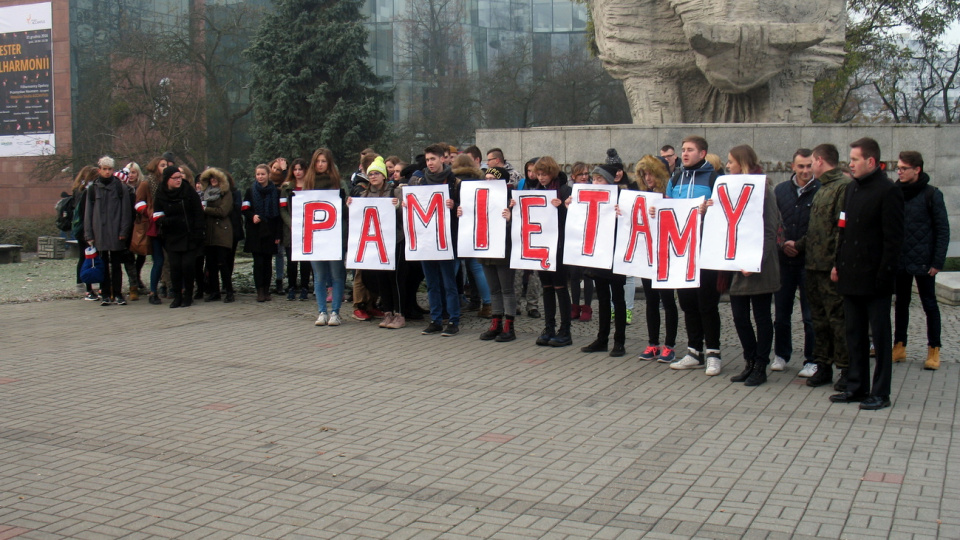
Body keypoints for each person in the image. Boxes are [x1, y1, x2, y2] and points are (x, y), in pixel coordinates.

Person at [830, 137, 904, 410]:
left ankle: (880, 392)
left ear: (871, 161)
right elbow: (843, 230)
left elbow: (893, 240)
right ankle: (856, 386)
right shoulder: (851, 189)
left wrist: (884, 277)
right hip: (850, 275)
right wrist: (838, 263)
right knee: (854, 333)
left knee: (880, 337)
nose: (850, 164)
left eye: (855, 159)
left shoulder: (888, 191)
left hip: (875, 278)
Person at [785, 144, 852, 391]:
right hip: (813, 265)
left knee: (837, 320)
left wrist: (838, 263)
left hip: (829, 268)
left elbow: (841, 231)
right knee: (819, 320)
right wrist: (798, 245)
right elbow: (817, 230)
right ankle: (823, 365)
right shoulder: (823, 188)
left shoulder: (842, 188)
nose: (810, 166)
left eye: (812, 162)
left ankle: (845, 369)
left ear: (820, 161)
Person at [723, 145, 782, 387]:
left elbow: (770, 230)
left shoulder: (764, 189)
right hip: (738, 265)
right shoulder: (729, 189)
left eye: (731, 162)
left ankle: (760, 365)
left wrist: (755, 262)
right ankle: (749, 360)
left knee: (761, 316)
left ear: (742, 163)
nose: (727, 166)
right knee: (739, 317)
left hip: (760, 266)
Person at [665, 136, 722, 376]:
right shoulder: (676, 178)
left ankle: (714, 354)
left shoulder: (714, 178)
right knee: (687, 302)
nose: (685, 153)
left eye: (690, 150)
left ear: (703, 153)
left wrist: (710, 208)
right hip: (681, 251)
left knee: (707, 303)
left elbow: (724, 211)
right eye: (683, 149)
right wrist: (655, 209)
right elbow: (667, 206)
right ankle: (694, 352)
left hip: (705, 250)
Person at [892, 151, 949, 370]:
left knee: (929, 304)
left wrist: (937, 262)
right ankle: (899, 346)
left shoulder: (932, 194)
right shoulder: (895, 192)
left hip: (925, 261)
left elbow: (942, 230)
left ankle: (934, 349)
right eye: (898, 168)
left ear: (917, 169)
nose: (900, 172)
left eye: (904, 168)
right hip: (901, 260)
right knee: (901, 305)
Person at [773, 149, 819, 375]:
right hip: (784, 260)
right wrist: (783, 244)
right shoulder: (781, 190)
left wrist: (799, 244)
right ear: (793, 166)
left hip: (809, 261)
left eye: (809, 166)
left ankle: (812, 359)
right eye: (801, 166)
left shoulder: (820, 190)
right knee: (781, 313)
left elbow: (820, 227)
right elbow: (775, 221)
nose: (805, 170)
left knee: (810, 315)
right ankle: (781, 354)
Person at [575, 164, 628, 356]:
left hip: (615, 254)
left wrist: (622, 212)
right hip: (599, 253)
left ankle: (619, 341)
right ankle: (602, 338)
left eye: (599, 179)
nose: (595, 182)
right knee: (603, 298)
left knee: (618, 298)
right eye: (594, 179)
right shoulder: (592, 197)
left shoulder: (622, 197)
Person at [349, 156, 406, 328]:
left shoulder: (394, 192)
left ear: (383, 175)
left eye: (376, 173)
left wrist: (398, 207)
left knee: (395, 279)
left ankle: (400, 313)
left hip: (395, 241)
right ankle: (387, 312)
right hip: (376, 244)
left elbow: (406, 216)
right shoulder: (363, 194)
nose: (373, 176)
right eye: (370, 174)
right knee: (381, 279)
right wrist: (350, 205)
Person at [415, 143, 462, 337]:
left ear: (443, 158)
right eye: (427, 160)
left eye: (433, 159)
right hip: (427, 240)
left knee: (448, 282)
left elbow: (466, 207)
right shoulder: (421, 181)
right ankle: (435, 319)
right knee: (432, 282)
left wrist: (455, 204)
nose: (430, 163)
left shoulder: (454, 181)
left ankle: (453, 320)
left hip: (446, 238)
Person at [634, 155, 678, 363]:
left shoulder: (670, 194)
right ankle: (653, 343)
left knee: (668, 301)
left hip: (666, 256)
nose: (647, 177)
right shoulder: (643, 195)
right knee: (651, 300)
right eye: (644, 174)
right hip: (648, 255)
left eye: (650, 173)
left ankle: (669, 345)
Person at [531, 156, 574, 347]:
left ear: (552, 173)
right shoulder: (536, 191)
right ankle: (549, 327)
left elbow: (573, 220)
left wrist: (562, 208)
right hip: (542, 247)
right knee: (546, 288)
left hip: (559, 246)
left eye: (544, 174)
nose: (541, 177)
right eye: (538, 174)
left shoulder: (565, 190)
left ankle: (565, 329)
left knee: (560, 288)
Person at [305, 148, 349, 326]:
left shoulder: (339, 184)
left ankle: (335, 312)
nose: (320, 164)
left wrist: (346, 204)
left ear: (329, 164)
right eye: (318, 161)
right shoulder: (308, 184)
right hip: (315, 237)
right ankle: (322, 311)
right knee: (320, 276)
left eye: (324, 161)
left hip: (335, 236)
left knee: (337, 275)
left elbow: (345, 213)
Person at [474, 166, 516, 342]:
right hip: (486, 247)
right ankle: (496, 321)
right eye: (487, 178)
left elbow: (520, 227)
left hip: (504, 249)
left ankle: (509, 325)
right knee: (494, 289)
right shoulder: (479, 196)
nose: (489, 181)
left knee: (506, 289)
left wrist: (510, 219)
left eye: (493, 179)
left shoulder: (512, 200)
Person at [153, 165, 206, 308]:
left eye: (180, 177)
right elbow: (157, 215)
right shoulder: (161, 193)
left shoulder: (188, 191)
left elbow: (198, 213)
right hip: (171, 236)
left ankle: (188, 295)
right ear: (167, 180)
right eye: (175, 178)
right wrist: (167, 222)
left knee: (188, 266)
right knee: (175, 267)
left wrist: (198, 232)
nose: (178, 180)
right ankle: (177, 296)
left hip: (189, 235)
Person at [84, 156, 133, 306]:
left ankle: (118, 293)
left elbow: (126, 212)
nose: (107, 172)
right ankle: (105, 293)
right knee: (102, 263)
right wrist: (89, 234)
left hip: (116, 231)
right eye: (104, 169)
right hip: (99, 232)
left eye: (109, 169)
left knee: (117, 264)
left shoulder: (120, 187)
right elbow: (88, 213)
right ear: (99, 170)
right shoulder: (93, 189)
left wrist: (124, 231)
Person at [452, 153, 492, 318]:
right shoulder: (479, 182)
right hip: (476, 229)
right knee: (477, 268)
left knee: (452, 268)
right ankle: (488, 304)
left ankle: (449, 303)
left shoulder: (454, 182)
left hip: (457, 228)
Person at [243, 164, 283, 302]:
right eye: (258, 174)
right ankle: (259, 290)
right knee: (258, 262)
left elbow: (278, 216)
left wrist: (278, 235)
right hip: (255, 231)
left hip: (270, 231)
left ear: (268, 175)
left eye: (263, 174)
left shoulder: (275, 192)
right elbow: (245, 208)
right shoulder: (250, 191)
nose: (260, 177)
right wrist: (252, 216)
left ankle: (266, 289)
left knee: (267, 262)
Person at [198, 167, 234, 303]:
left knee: (222, 263)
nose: (213, 181)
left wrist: (206, 209)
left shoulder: (226, 193)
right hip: (209, 232)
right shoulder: (204, 193)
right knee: (211, 264)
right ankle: (214, 291)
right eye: (210, 178)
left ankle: (229, 291)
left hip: (222, 232)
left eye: (215, 178)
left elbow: (223, 211)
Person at [280, 158, 312, 301]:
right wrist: (291, 223)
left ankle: (305, 287)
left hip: (308, 229)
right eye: (295, 169)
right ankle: (292, 287)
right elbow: (282, 209)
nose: (298, 172)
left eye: (300, 169)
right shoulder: (286, 188)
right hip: (291, 230)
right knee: (291, 261)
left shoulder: (311, 186)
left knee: (305, 261)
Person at [567, 161, 595, 322]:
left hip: (589, 236)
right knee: (575, 274)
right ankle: (575, 306)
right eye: (581, 174)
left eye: (586, 174)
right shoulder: (568, 191)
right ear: (573, 176)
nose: (584, 177)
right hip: (574, 236)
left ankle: (587, 307)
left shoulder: (594, 189)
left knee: (589, 274)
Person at [70, 166, 98, 301]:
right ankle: (88, 287)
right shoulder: (86, 191)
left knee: (83, 256)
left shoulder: (77, 189)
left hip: (79, 228)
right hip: (85, 229)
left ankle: (81, 283)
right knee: (88, 256)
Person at [268, 157, 288, 294]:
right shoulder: (266, 186)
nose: (275, 171)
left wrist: (286, 170)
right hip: (268, 223)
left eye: (279, 169)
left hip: (280, 224)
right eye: (274, 168)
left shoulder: (283, 187)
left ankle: (279, 281)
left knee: (280, 253)